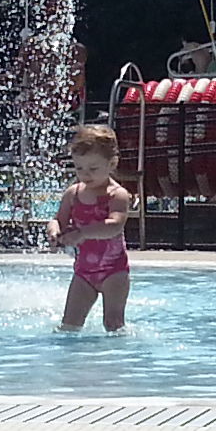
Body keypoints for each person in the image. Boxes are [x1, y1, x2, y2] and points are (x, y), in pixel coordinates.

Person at [52, 123, 134, 333]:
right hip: (83, 273)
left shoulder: (117, 195)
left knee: (113, 325)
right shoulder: (73, 194)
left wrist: (83, 233)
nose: (85, 174)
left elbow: (114, 225)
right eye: (79, 168)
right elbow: (58, 220)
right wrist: (53, 231)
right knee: (69, 325)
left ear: (112, 163)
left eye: (93, 168)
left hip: (114, 271)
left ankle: (115, 360)